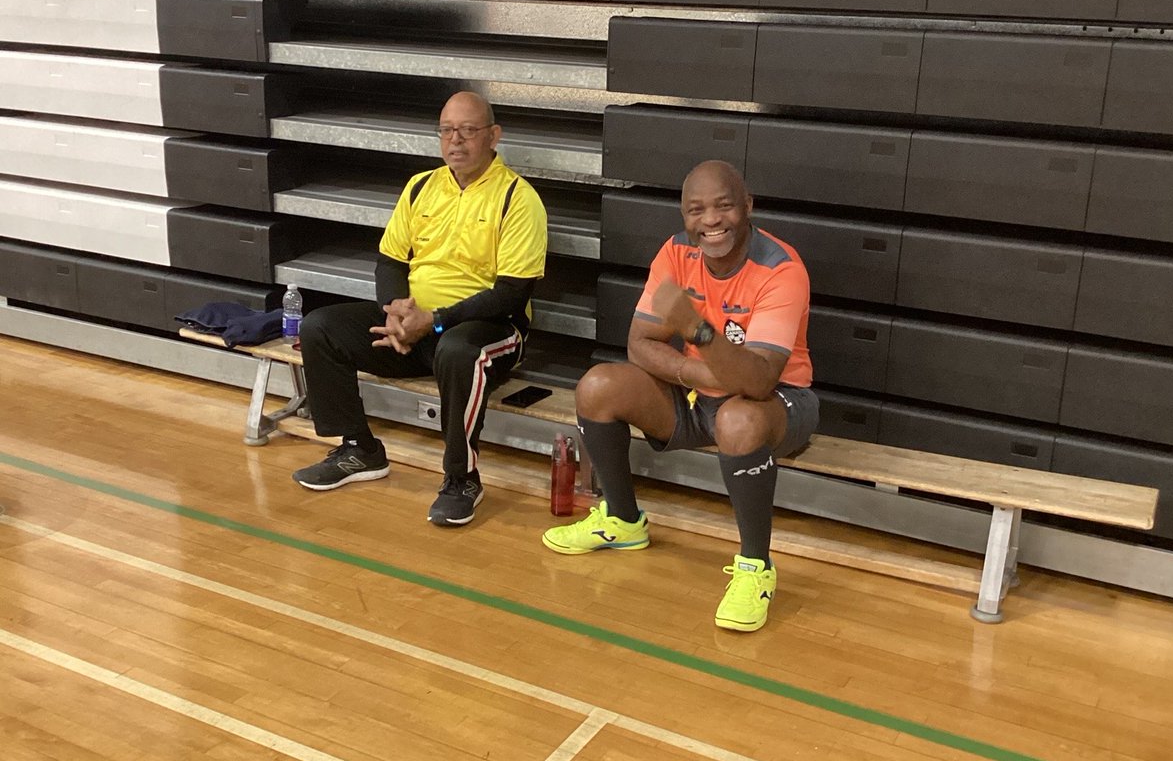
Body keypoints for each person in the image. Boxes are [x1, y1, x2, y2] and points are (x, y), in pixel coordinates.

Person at [542, 160, 818, 632]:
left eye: (724, 206)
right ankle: (623, 520)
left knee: (739, 420)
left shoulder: (780, 268)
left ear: (747, 206)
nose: (710, 220)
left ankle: (756, 567)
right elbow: (639, 343)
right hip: (699, 394)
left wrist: (698, 331)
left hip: (778, 401)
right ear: (684, 217)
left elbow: (757, 382)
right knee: (598, 386)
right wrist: (696, 371)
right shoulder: (675, 253)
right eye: (696, 210)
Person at [294, 92, 548, 527]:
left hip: (487, 330)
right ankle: (360, 449)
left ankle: (461, 479)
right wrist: (394, 311)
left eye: (468, 130)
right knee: (320, 327)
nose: (456, 141)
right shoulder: (421, 186)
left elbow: (511, 294)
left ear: (493, 136)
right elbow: (390, 260)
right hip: (416, 327)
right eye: (447, 130)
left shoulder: (518, 199)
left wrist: (435, 321)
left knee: (458, 350)